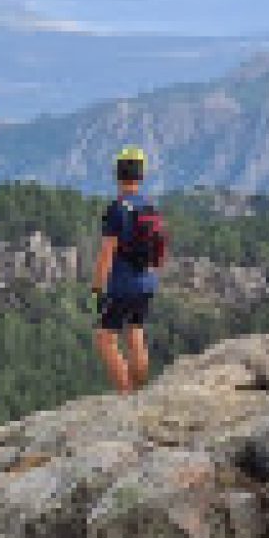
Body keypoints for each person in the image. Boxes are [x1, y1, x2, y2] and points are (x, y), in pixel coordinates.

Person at [91, 146, 163, 395]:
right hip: (147, 282)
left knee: (105, 338)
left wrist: (97, 289)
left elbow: (107, 252)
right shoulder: (150, 207)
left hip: (123, 285)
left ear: (117, 175)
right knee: (135, 333)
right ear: (141, 176)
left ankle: (126, 395)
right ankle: (141, 392)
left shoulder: (117, 209)